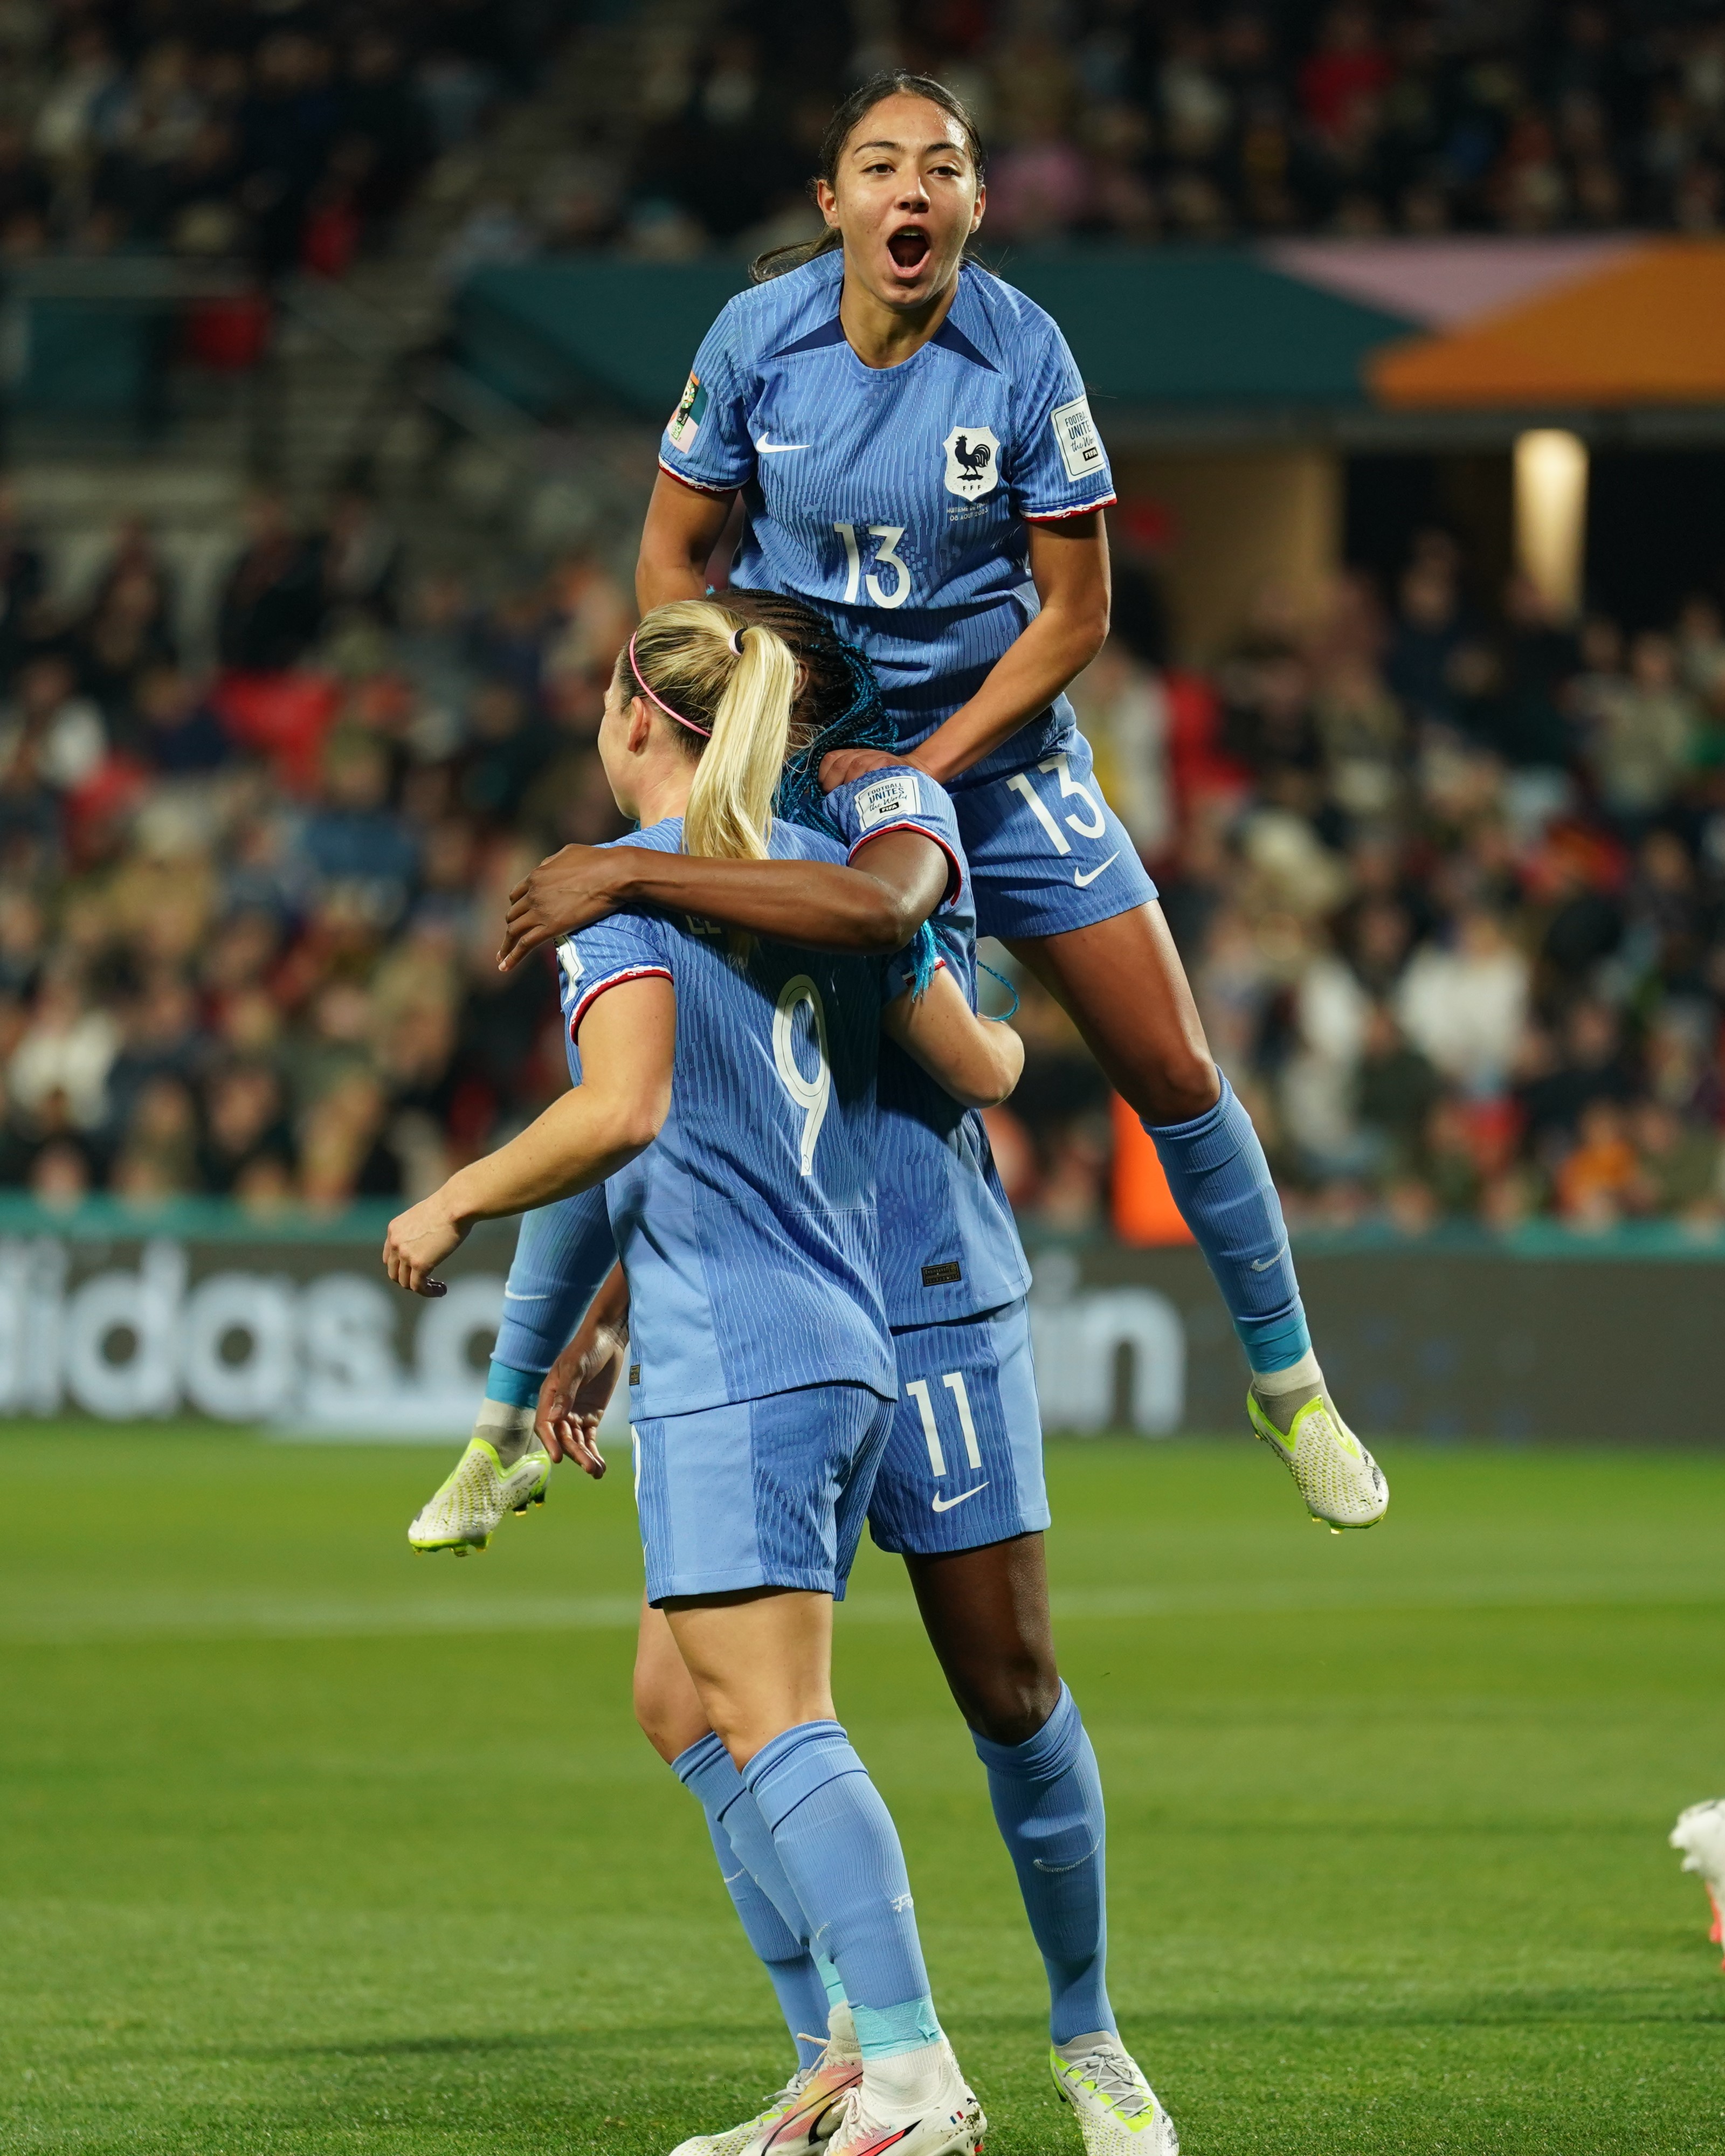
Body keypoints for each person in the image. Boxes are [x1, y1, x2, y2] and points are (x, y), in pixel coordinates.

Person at [495, 69, 1386, 1531]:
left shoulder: (1025, 352)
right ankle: (515, 1402)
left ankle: (1290, 1386)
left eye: (944, 168)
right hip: (805, 764)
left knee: (1172, 1068)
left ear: (976, 204)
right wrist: (741, 729)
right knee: (666, 1057)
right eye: (881, 165)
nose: (912, 191)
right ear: (831, 202)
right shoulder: (754, 343)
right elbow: (671, 561)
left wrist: (931, 766)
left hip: (1001, 759)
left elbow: (1076, 614)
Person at [410, 593, 1180, 2155]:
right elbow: (984, 1066)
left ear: (635, 716)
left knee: (777, 1718)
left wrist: (453, 1196)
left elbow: (620, 1116)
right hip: (834, 1332)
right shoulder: (817, 880)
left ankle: (903, 2070)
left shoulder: (618, 906)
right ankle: (845, 2059)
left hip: (745, 1352)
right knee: (679, 1699)